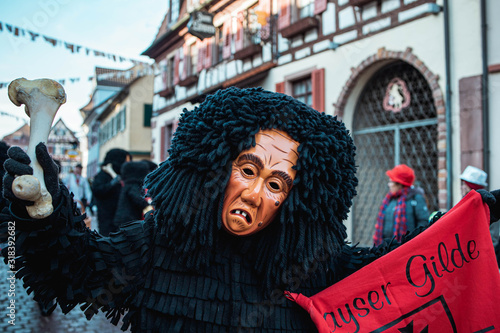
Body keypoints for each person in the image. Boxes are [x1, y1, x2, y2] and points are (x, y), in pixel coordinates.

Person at [1, 87, 499, 332]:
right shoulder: (157, 247)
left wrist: (465, 222)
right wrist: (42, 213)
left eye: (277, 182)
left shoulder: (312, 265)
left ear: (295, 198)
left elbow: (396, 275)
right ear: (217, 168)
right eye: (248, 170)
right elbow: (71, 270)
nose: (257, 194)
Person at [372, 165, 430, 246]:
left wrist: (414, 242)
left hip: (406, 247)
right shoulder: (390, 199)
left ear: (400, 183)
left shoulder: (416, 198)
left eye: (391, 182)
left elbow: (423, 222)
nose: (389, 185)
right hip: (387, 247)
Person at [460, 165, 500, 265]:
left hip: (479, 259)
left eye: (464, 184)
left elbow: (491, 238)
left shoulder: (489, 205)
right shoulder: (464, 203)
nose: (461, 187)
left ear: (469, 186)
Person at [91, 148, 131, 236]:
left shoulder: (120, 175)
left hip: (119, 217)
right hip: (107, 216)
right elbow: (98, 190)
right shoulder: (102, 175)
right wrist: (113, 183)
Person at [112, 161, 151, 228]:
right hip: (128, 219)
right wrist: (146, 204)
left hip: (124, 219)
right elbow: (136, 198)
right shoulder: (133, 186)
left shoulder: (128, 185)